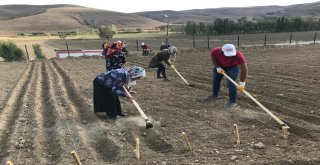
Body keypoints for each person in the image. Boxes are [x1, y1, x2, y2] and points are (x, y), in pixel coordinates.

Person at [206, 44, 248, 108]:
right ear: (222, 52)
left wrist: (242, 83)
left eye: (231, 54)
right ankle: (215, 95)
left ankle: (232, 101)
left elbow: (244, 68)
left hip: (233, 67)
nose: (230, 56)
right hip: (220, 66)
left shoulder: (238, 54)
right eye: (228, 55)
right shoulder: (215, 51)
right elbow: (213, 58)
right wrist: (217, 67)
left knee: (231, 83)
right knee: (216, 80)